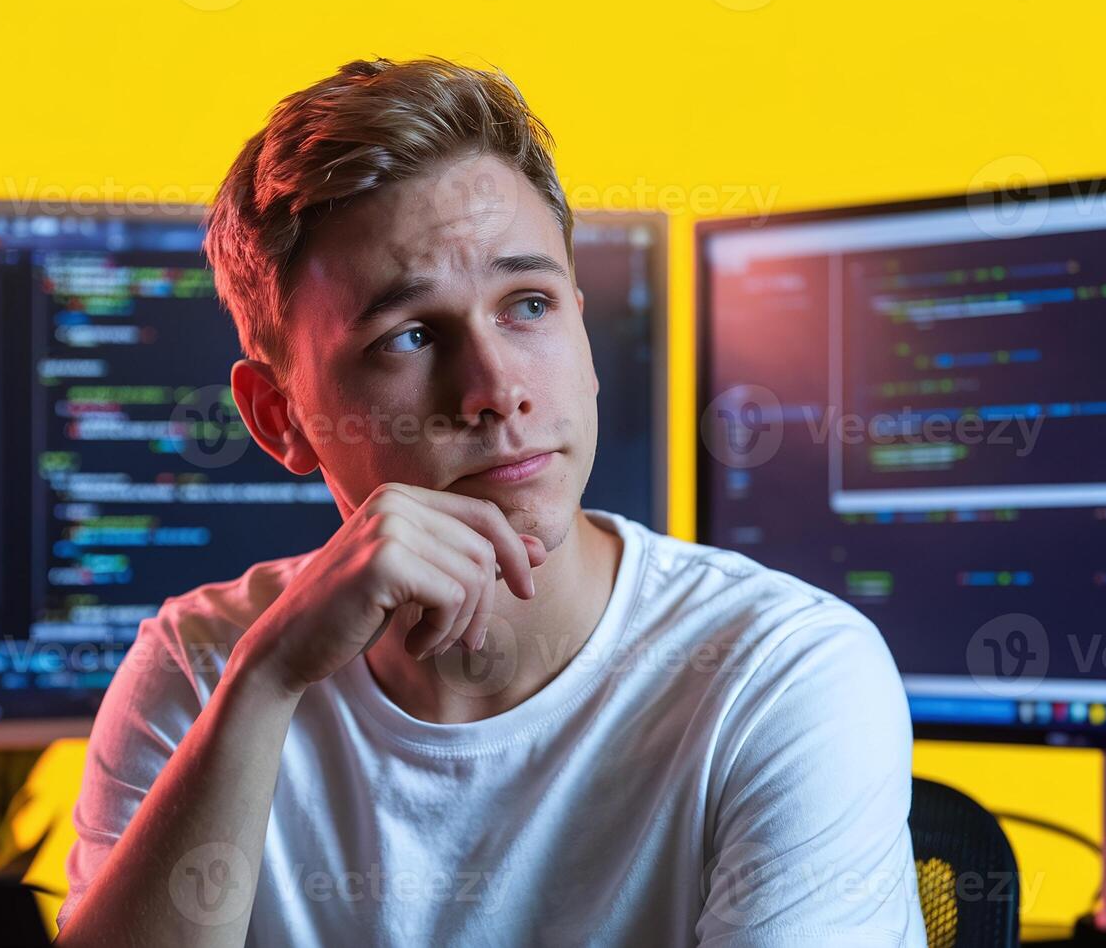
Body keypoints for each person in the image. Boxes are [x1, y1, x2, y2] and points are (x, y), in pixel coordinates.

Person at [55, 56, 927, 947]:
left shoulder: (782, 673)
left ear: (584, 333)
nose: (496, 389)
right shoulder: (201, 670)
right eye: (411, 334)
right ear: (280, 416)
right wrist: (265, 683)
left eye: (528, 305)